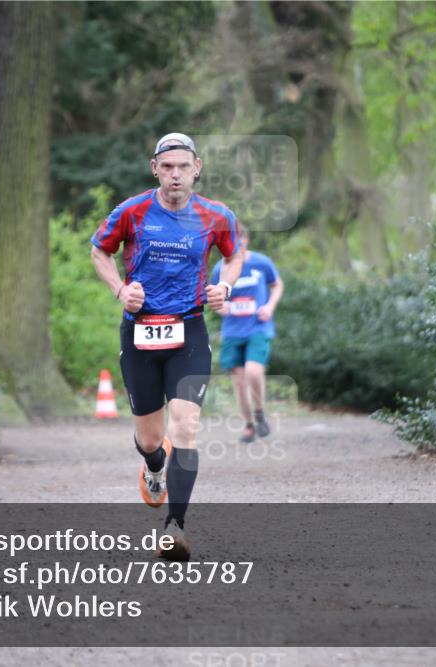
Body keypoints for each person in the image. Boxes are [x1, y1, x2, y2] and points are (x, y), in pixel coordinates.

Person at [90, 133, 245, 560]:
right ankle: (154, 468)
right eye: (167, 166)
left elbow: (234, 254)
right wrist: (121, 291)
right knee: (151, 437)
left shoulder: (216, 215)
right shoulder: (132, 211)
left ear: (197, 168)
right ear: (154, 168)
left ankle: (175, 527)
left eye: (183, 166)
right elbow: (99, 251)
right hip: (140, 331)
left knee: (187, 427)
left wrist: (225, 286)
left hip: (189, 331)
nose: (175, 174)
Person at [212, 229, 283, 443]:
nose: (236, 243)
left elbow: (277, 284)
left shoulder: (261, 262)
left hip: (258, 328)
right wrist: (220, 307)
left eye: (239, 239)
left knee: (253, 371)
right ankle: (249, 425)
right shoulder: (220, 268)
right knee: (239, 382)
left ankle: (260, 412)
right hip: (233, 331)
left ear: (246, 239)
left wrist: (270, 307)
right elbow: (215, 296)